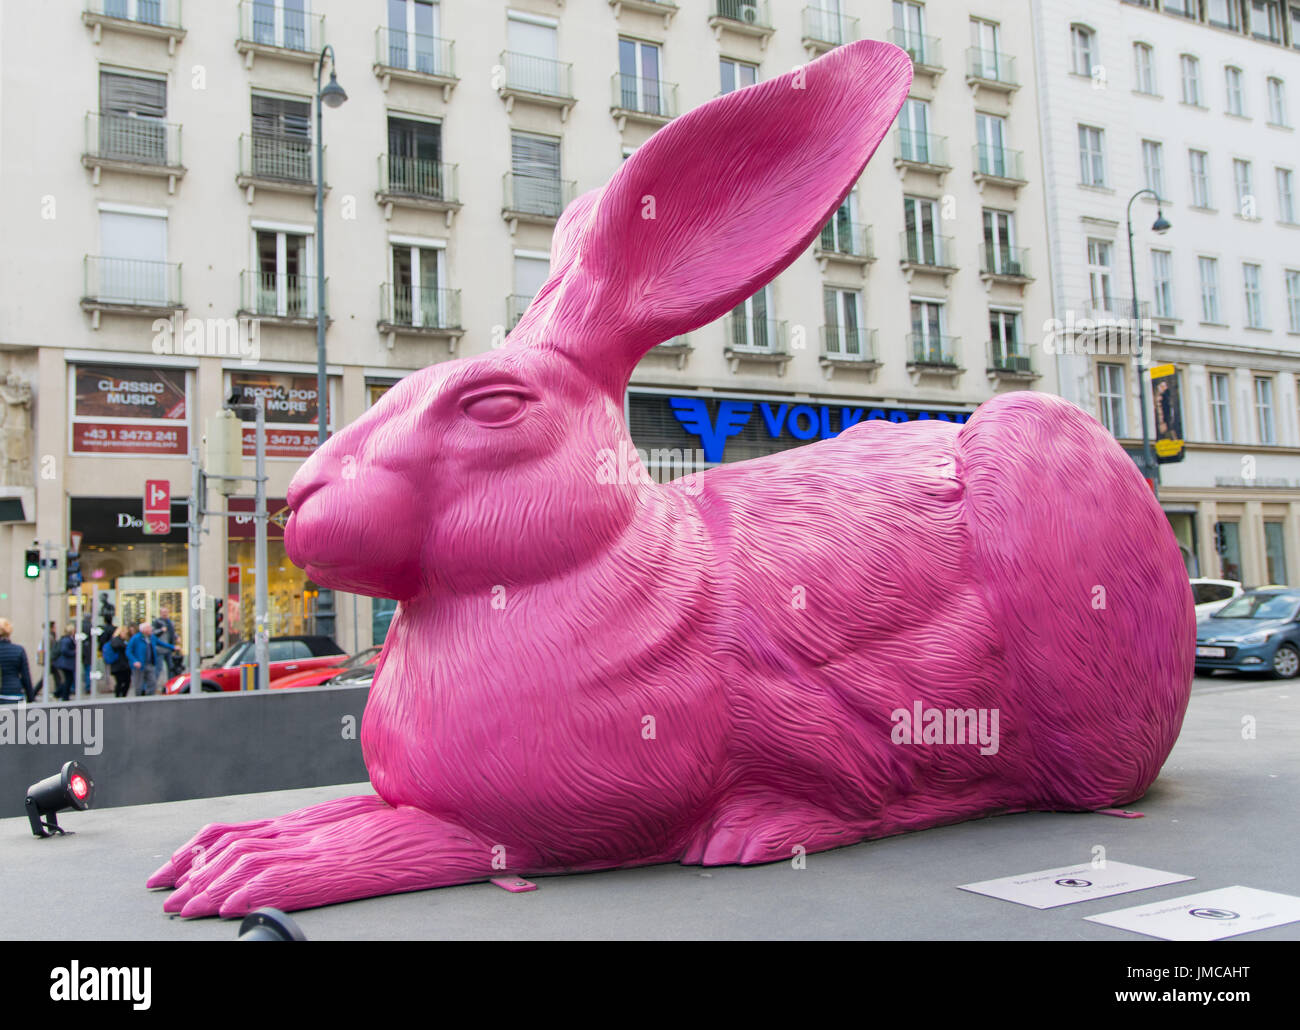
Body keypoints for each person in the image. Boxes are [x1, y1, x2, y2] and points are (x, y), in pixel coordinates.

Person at [127, 621, 174, 697]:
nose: (151, 629)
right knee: (139, 685)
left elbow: (162, 644)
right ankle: (138, 699)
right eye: (149, 628)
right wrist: (134, 661)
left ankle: (149, 698)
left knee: (152, 682)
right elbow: (128, 651)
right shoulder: (136, 638)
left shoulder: (152, 637)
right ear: (144, 630)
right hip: (139, 665)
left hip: (150, 664)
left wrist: (173, 647)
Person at [0, 618, 34, 704]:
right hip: (16, 695)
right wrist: (30, 697)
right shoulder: (19, 650)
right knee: (19, 717)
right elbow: (26, 676)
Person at [102, 625, 132, 699]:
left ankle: (122, 696)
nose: (126, 634)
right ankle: (119, 697)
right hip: (118, 665)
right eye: (124, 633)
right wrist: (126, 646)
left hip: (124, 665)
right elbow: (118, 646)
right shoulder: (116, 640)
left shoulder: (124, 641)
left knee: (126, 682)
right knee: (120, 682)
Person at [52, 624, 77, 702]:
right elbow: (64, 650)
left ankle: (60, 693)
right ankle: (62, 694)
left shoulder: (67, 639)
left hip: (66, 663)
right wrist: (74, 652)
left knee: (68, 679)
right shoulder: (67, 640)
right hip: (66, 663)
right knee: (68, 679)